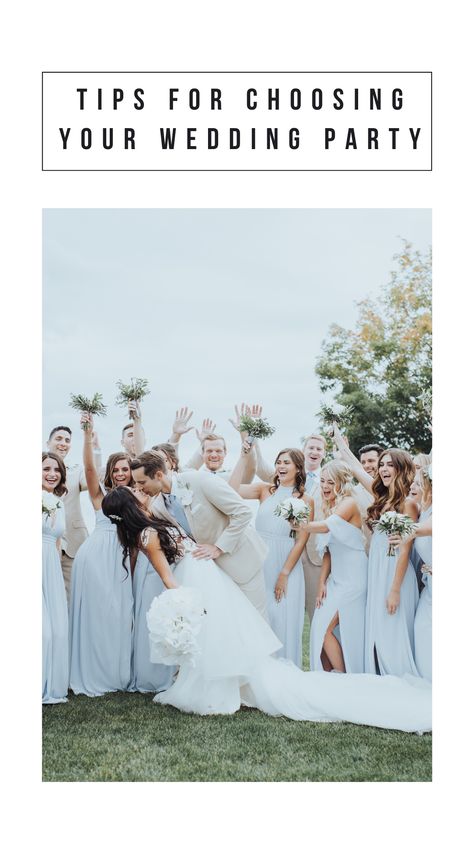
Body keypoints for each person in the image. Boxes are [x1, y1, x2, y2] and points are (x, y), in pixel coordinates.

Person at [101, 487, 431, 733]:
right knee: (217, 637)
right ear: (128, 505)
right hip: (194, 583)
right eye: (133, 491)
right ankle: (219, 688)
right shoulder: (146, 535)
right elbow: (167, 577)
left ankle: (233, 684)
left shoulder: (153, 520)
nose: (139, 490)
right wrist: (186, 605)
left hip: (207, 577)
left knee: (228, 635)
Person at [131, 450, 269, 618]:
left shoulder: (200, 480)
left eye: (141, 482)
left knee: (255, 620)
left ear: (159, 475)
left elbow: (242, 512)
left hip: (242, 561)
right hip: (211, 572)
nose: (138, 487)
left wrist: (218, 547)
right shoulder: (158, 507)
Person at [334, 426, 420, 677]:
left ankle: (398, 677)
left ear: (402, 469)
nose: (383, 469)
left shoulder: (409, 504)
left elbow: (405, 551)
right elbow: (355, 467)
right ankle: (380, 675)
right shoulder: (380, 497)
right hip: (377, 569)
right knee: (378, 625)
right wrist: (340, 442)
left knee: (392, 626)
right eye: (382, 464)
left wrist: (395, 590)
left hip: (395, 574)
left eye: (390, 465)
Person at [68, 412, 135, 696]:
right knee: (97, 614)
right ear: (110, 472)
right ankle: (93, 671)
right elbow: (89, 468)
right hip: (95, 556)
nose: (120, 474)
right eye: (116, 469)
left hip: (123, 556)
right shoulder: (101, 494)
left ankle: (116, 672)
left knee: (121, 613)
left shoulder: (139, 495)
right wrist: (86, 435)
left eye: (125, 469)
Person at [229, 445, 313, 666]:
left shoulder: (306, 499)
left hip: (286, 560)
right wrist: (244, 454)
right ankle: (257, 668)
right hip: (259, 558)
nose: (281, 466)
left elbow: (301, 539)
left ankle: (282, 670)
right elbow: (232, 489)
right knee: (258, 615)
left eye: (286, 463)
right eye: (279, 462)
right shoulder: (264, 490)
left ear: (298, 468)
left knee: (282, 616)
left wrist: (284, 574)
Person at [297, 461, 368, 674]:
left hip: (354, 578)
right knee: (319, 625)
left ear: (341, 483)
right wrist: (321, 584)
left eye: (331, 482)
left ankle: (345, 677)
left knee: (325, 628)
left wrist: (300, 524)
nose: (325, 486)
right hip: (337, 579)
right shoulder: (331, 506)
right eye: (322, 481)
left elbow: (327, 527)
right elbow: (328, 551)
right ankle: (327, 674)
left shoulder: (349, 503)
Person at [255, 432, 327, 625]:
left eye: (319, 449)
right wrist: (250, 439)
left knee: (311, 612)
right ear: (303, 452)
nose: (314, 451)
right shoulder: (268, 488)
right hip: (267, 555)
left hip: (311, 556)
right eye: (311, 447)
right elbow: (257, 466)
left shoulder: (327, 480)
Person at [46, 424, 101, 601]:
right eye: (59, 438)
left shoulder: (77, 470)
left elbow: (94, 480)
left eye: (67, 440)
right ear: (48, 442)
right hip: (44, 542)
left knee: (71, 596)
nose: (63, 443)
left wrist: (95, 450)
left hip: (73, 543)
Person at [168, 404, 257, 482]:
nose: (214, 455)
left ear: (225, 452)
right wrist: (176, 435)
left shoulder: (231, 477)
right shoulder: (194, 476)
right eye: (209, 451)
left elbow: (250, 471)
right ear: (202, 453)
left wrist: (244, 433)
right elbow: (174, 469)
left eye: (218, 451)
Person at [42, 452, 69, 704]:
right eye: (46, 468)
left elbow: (59, 539)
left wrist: (58, 569)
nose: (52, 474)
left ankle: (53, 684)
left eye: (57, 469)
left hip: (50, 564)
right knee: (42, 631)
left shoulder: (59, 501)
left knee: (58, 629)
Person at [413, 464, 432, 681]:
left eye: (418, 483)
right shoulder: (423, 510)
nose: (413, 485)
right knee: (422, 632)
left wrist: (402, 529)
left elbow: (428, 529)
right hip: (430, 586)